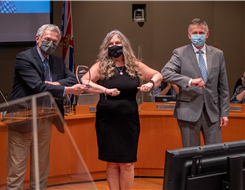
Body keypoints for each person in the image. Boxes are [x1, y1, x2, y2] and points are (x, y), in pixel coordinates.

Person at [7, 24, 87, 190]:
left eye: (54, 42)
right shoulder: (24, 58)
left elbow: (72, 78)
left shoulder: (56, 60)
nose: (51, 44)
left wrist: (56, 83)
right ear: (38, 39)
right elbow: (38, 87)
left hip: (46, 118)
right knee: (17, 169)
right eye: (47, 40)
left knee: (41, 167)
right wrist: (67, 89)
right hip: (23, 119)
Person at [82, 30, 162, 190]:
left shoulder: (134, 65)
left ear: (124, 45)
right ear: (106, 47)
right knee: (112, 163)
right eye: (111, 44)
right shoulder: (101, 66)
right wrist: (104, 90)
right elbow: (84, 82)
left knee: (127, 163)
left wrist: (150, 84)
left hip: (129, 119)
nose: (114, 46)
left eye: (117, 43)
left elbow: (157, 75)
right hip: (107, 118)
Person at [161, 18, 229, 148]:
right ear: (189, 35)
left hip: (212, 114)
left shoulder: (218, 54)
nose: (198, 36)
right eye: (195, 33)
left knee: (215, 155)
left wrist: (224, 112)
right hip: (188, 113)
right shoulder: (180, 53)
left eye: (201, 32)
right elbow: (165, 72)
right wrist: (190, 81)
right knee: (192, 156)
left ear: (207, 34)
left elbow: (223, 86)